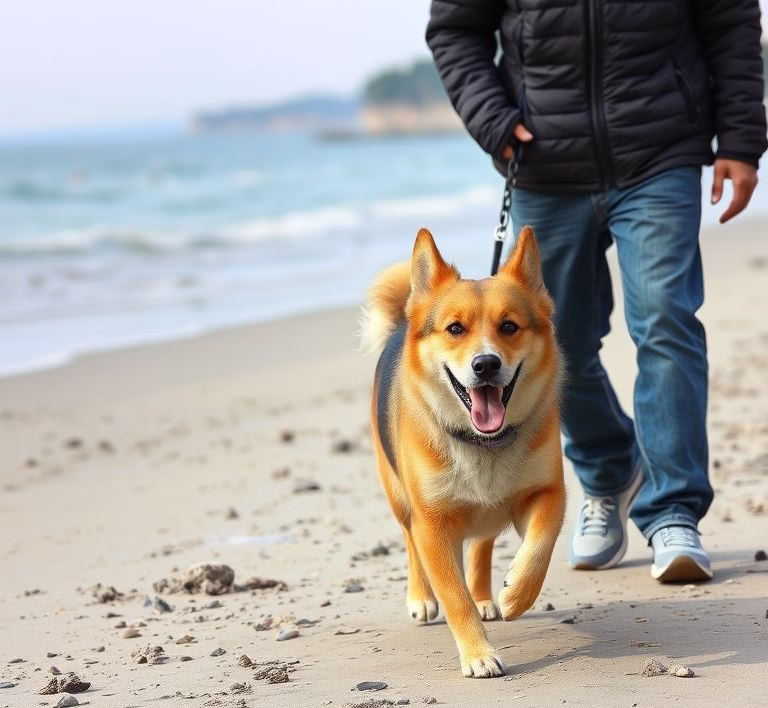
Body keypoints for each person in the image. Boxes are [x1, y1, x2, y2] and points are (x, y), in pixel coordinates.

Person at [426, 0, 767, 581]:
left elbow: (730, 18)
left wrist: (739, 138)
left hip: (661, 151)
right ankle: (610, 472)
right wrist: (492, 116)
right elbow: (455, 27)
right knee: (550, 345)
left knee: (666, 320)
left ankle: (674, 510)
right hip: (544, 164)